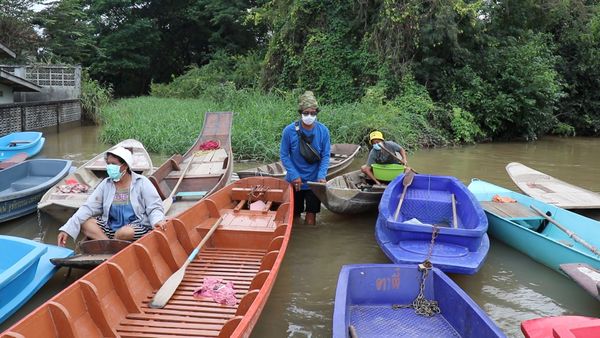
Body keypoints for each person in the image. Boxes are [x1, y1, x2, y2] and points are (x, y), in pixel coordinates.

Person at [57, 146, 167, 247]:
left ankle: (111, 245)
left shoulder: (142, 182)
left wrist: (157, 220)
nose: (110, 167)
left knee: (124, 233)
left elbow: (154, 207)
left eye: (113, 164)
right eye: (108, 164)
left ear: (125, 166)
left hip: (136, 227)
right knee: (85, 223)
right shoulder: (106, 184)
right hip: (111, 228)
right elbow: (88, 207)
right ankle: (109, 245)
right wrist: (67, 229)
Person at [280, 91, 331, 225]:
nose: (309, 116)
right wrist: (294, 175)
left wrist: (321, 175)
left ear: (316, 113)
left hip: (314, 182)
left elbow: (326, 155)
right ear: (300, 113)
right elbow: (284, 155)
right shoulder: (289, 131)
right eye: (306, 113)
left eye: (313, 113)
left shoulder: (323, 131)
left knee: (311, 216)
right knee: (294, 216)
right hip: (295, 181)